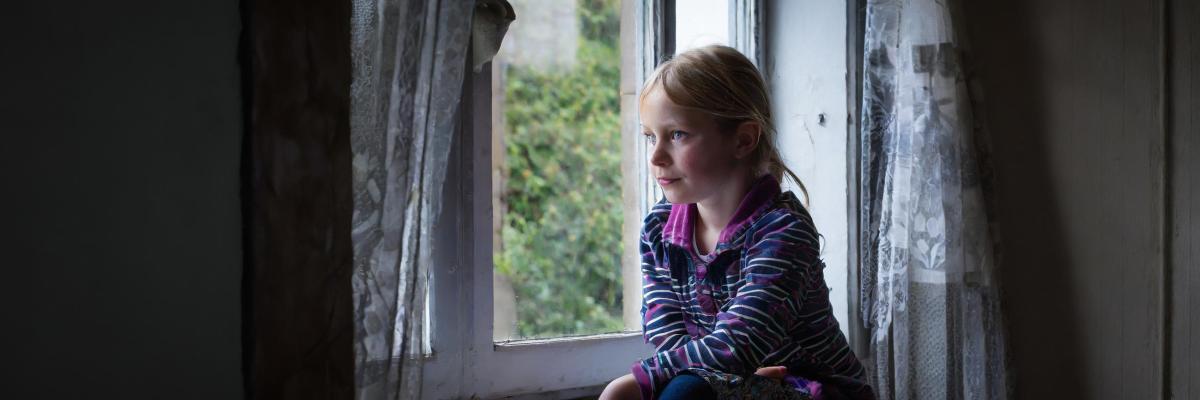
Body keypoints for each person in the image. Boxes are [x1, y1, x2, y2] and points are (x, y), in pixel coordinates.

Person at [598, 45, 875, 400]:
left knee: (680, 392)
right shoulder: (658, 228)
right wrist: (719, 376)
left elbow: (739, 343)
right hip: (734, 378)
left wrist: (637, 381)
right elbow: (665, 330)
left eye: (677, 134)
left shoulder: (783, 231)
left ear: (743, 139)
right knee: (681, 386)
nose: (656, 156)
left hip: (817, 389)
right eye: (651, 136)